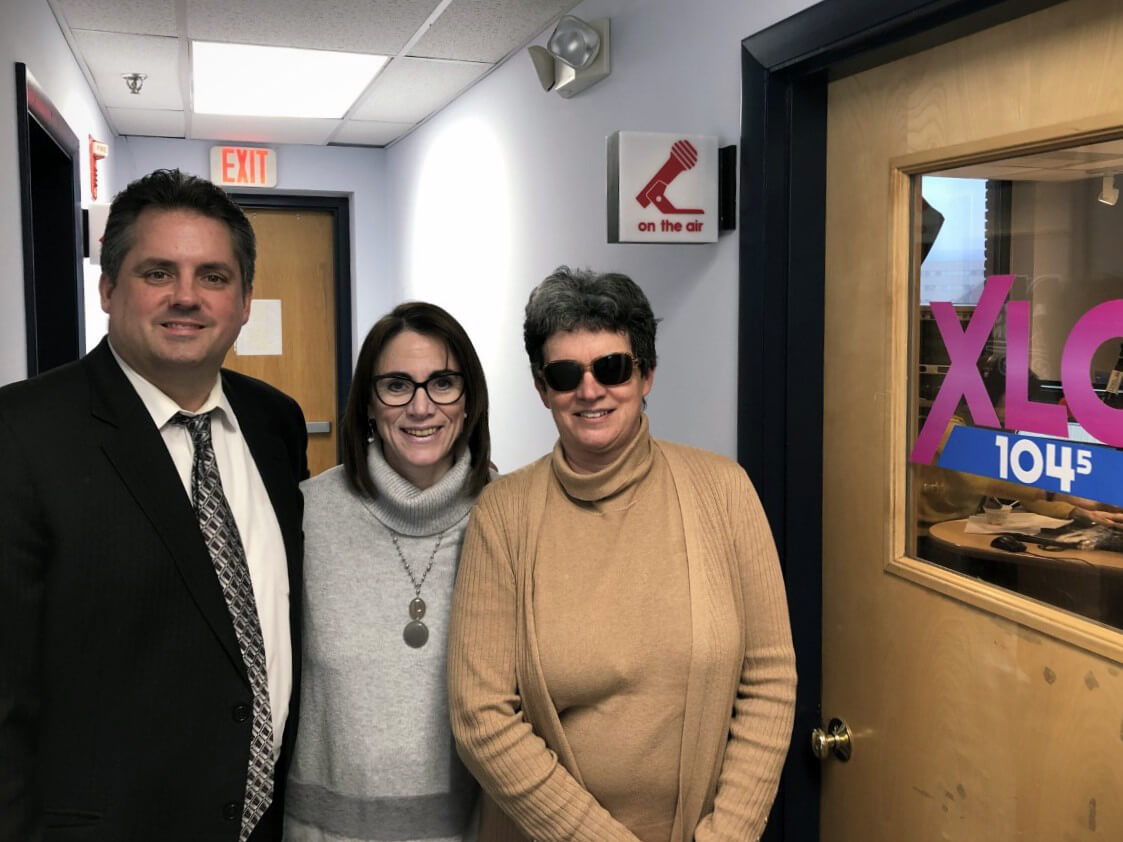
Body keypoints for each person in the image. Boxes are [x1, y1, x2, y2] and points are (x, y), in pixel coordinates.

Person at [0, 169, 308, 841]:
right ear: (108, 288)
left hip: (264, 824)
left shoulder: (274, 422)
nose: (188, 298)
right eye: (158, 273)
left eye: (214, 277)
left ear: (246, 299)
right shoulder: (22, 434)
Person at [448, 267, 797, 842]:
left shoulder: (725, 491)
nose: (590, 390)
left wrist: (727, 834)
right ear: (542, 389)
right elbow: (480, 716)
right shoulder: (503, 514)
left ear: (646, 375)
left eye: (611, 367)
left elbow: (769, 679)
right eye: (565, 374)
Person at [284, 302, 490, 842]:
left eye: (442, 382)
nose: (421, 407)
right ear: (369, 406)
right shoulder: (306, 515)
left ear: (468, 401)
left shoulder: (512, 518)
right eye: (397, 386)